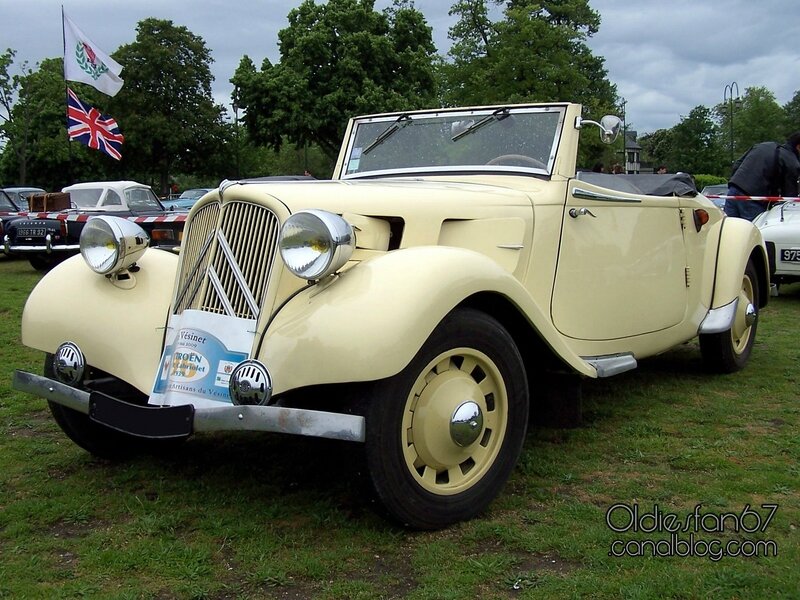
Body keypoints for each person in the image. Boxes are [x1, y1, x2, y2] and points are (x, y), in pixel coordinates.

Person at [725, 132, 800, 221]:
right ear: (799, 146)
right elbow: (789, 197)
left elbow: (736, 165)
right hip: (754, 199)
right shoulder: (792, 161)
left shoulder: (762, 146)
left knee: (730, 230)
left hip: (733, 191)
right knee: (755, 232)